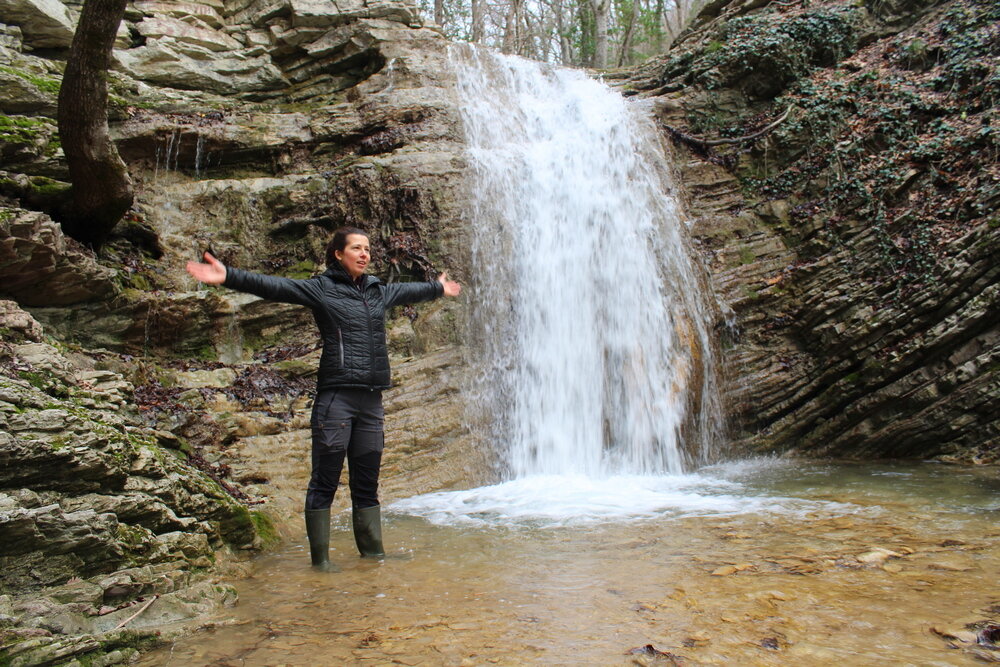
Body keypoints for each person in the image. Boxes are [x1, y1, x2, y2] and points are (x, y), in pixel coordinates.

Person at [186, 226, 461, 570]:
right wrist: (229, 276)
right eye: (356, 248)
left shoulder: (377, 291)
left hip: (371, 400)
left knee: (367, 482)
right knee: (325, 480)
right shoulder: (321, 288)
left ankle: (373, 555)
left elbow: (408, 291)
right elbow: (276, 286)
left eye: (367, 249)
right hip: (336, 398)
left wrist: (437, 288)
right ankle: (321, 563)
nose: (364, 254)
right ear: (338, 254)